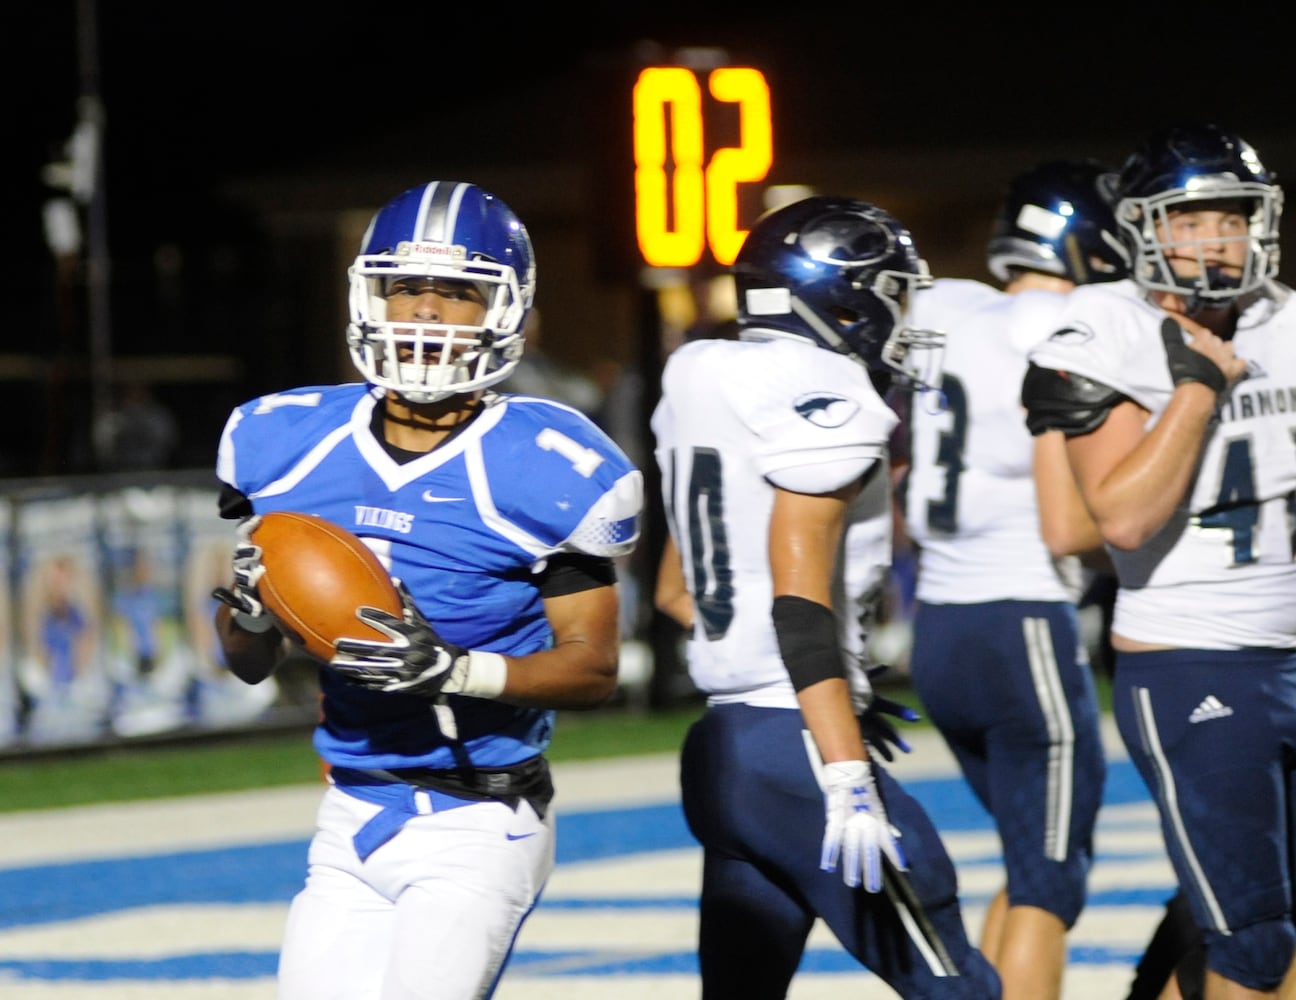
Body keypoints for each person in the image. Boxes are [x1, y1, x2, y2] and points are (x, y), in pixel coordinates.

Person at [208, 180, 643, 1000]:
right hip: (348, 811)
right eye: (407, 287)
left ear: (505, 310)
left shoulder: (548, 463)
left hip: (479, 817)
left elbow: (594, 669)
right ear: (368, 293)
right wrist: (251, 619)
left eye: (457, 292)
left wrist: (455, 671)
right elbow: (249, 665)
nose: (426, 313)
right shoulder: (286, 442)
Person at [650, 195, 1001, 998]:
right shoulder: (822, 394)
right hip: (798, 752)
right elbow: (798, 601)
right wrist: (837, 752)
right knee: (959, 986)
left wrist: (815, 684)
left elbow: (680, 591)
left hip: (724, 747)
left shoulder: (704, 373)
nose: (905, 319)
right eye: (893, 295)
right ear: (842, 302)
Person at [1022, 124, 1296, 999]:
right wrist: (1195, 390)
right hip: (1193, 661)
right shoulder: (1103, 327)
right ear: (1146, 231)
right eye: (1192, 221)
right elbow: (1123, 519)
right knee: (1255, 948)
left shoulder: (1289, 319)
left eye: (1232, 219)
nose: (1216, 241)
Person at [898, 159, 1123, 998]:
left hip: (940, 630)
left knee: (1030, 859)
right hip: (1023, 620)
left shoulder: (945, 306)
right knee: (1050, 882)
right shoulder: (1072, 324)